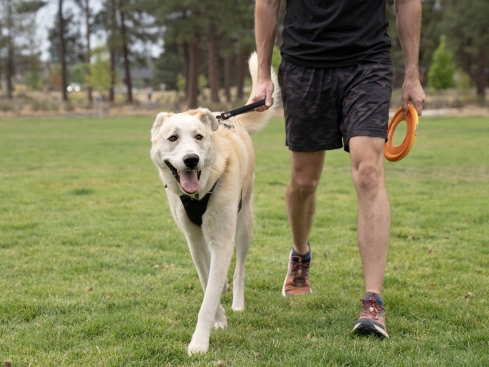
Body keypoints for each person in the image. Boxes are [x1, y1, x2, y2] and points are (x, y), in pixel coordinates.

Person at [252, 0, 425, 337]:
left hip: (367, 62)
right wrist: (262, 74)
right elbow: (267, 3)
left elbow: (407, 3)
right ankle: (300, 255)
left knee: (369, 172)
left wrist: (412, 74)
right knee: (304, 180)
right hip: (304, 64)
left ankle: (373, 300)